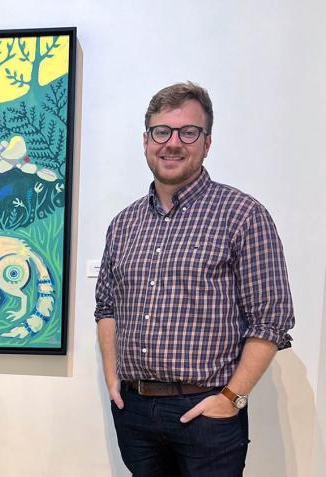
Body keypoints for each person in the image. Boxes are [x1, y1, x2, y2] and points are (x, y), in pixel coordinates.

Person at [95, 82, 294, 476]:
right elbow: (107, 307)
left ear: (206, 143)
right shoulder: (123, 224)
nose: (172, 143)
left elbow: (271, 319)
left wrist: (231, 398)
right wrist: (112, 378)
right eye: (161, 131)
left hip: (208, 412)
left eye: (188, 132)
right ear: (146, 140)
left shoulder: (243, 215)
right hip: (135, 411)